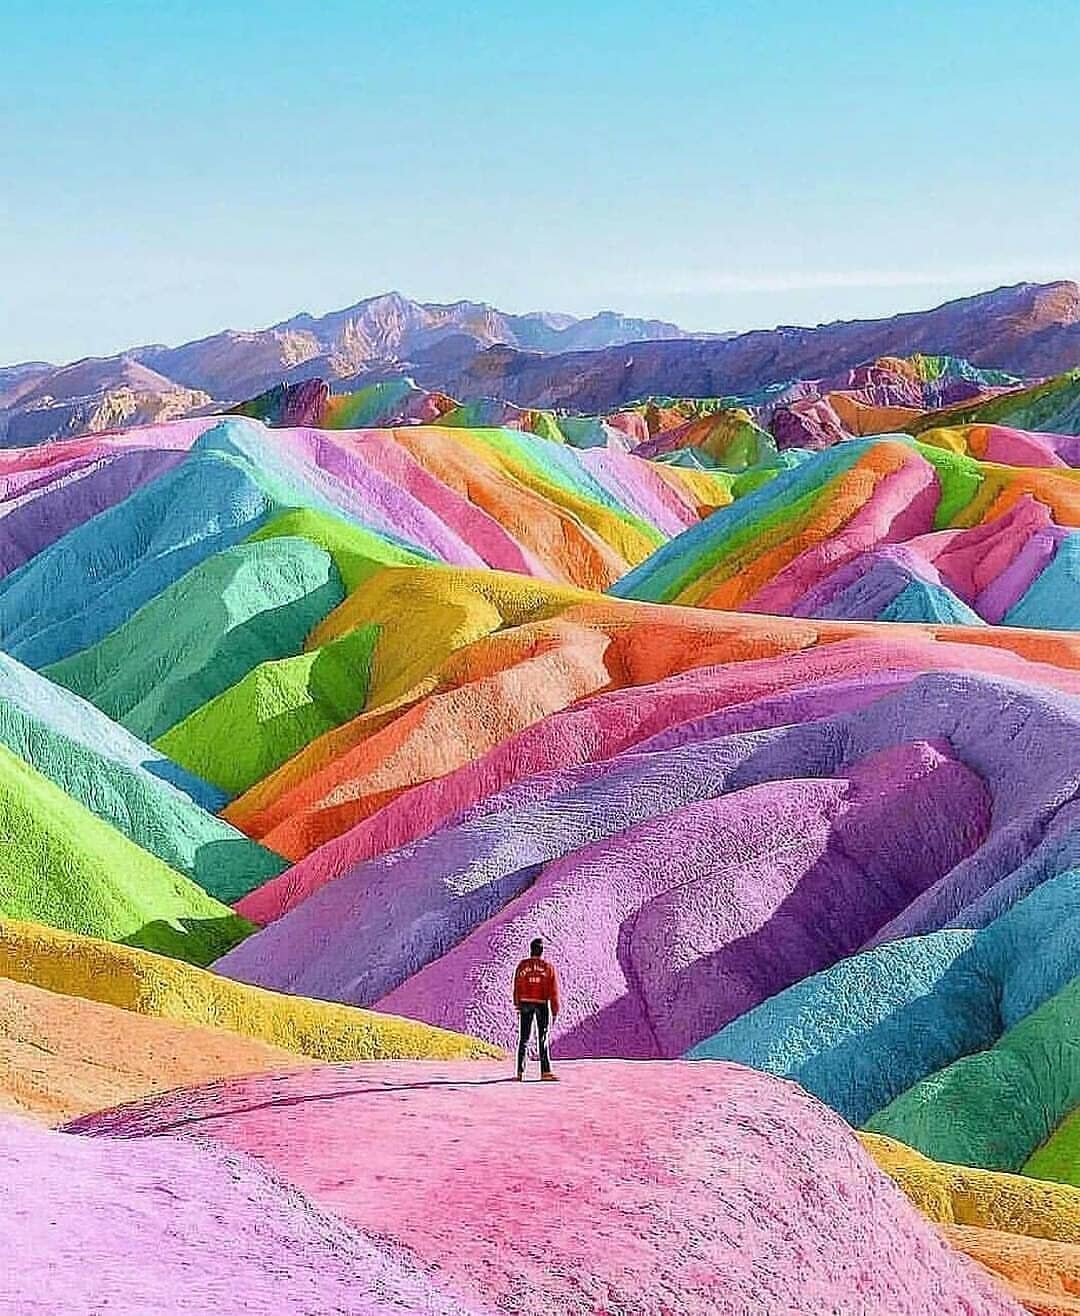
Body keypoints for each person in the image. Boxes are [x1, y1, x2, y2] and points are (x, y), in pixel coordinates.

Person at [513, 937, 560, 1081]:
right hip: (541, 1003)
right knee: (542, 1038)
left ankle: (520, 1072)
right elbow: (553, 991)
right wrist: (554, 1009)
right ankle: (545, 1072)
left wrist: (517, 1004)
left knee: (524, 1038)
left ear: (531, 949)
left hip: (525, 1003)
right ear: (541, 951)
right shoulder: (548, 967)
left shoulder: (522, 965)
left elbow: (517, 986)